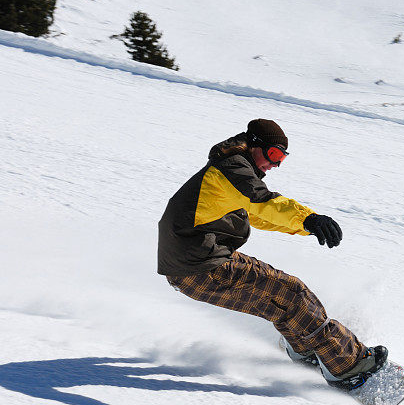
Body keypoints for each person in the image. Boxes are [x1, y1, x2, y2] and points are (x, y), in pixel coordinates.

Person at [157, 119, 386, 389]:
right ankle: (350, 365)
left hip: (194, 263)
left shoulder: (230, 170)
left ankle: (307, 352)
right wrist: (309, 218)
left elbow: (256, 215)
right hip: (201, 264)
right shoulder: (233, 170)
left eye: (282, 158)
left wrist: (306, 227)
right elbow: (265, 204)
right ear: (255, 146)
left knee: (281, 300)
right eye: (274, 154)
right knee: (292, 293)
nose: (275, 164)